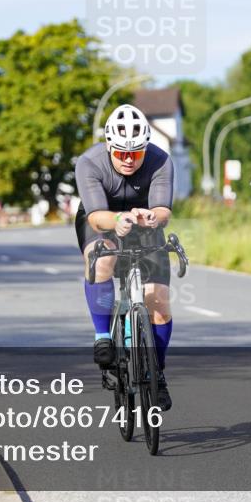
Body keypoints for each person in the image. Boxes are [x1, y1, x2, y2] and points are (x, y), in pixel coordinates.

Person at [74, 104, 175, 411]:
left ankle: (156, 372)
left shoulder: (160, 160)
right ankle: (103, 335)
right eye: (121, 153)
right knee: (101, 259)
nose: (129, 159)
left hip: (144, 223)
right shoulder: (89, 163)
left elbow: (164, 211)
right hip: (102, 219)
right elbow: (95, 218)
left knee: (158, 299)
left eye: (136, 153)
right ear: (109, 146)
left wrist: (150, 216)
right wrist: (118, 220)